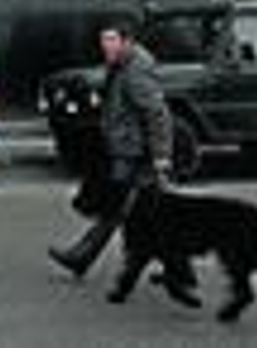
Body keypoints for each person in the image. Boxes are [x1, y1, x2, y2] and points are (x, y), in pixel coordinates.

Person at [48, 17, 195, 293]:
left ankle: (85, 256)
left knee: (129, 210)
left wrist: (161, 157)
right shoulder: (120, 65)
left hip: (137, 154)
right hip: (126, 149)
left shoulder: (136, 70)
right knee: (133, 211)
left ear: (127, 41)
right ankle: (177, 269)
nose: (106, 46)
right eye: (103, 40)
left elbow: (157, 114)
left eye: (111, 40)